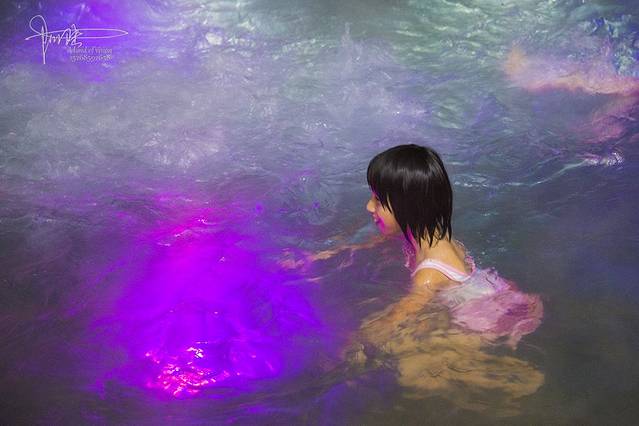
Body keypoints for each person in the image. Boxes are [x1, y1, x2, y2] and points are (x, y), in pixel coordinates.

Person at [353, 143, 543, 351]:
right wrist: (345, 249)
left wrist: (352, 340)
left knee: (406, 355)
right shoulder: (433, 234)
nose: (369, 206)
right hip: (498, 295)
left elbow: (394, 321)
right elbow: (391, 236)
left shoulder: (428, 274)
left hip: (488, 322)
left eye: (378, 200)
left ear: (407, 208)